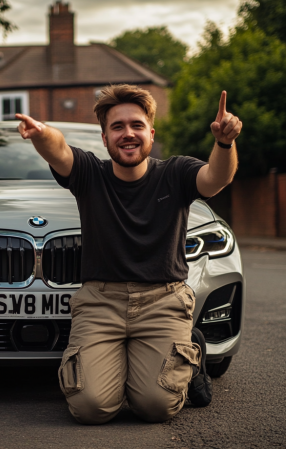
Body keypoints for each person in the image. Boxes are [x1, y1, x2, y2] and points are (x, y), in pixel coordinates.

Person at [16, 84, 242, 424]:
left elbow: (216, 179)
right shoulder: (89, 174)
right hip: (100, 303)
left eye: (136, 125)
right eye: (117, 126)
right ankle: (132, 359)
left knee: (155, 406)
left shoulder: (175, 173)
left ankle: (187, 352)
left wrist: (224, 142)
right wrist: (41, 133)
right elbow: (59, 150)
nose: (128, 133)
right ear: (104, 138)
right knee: (90, 408)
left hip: (162, 302)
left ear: (151, 133)